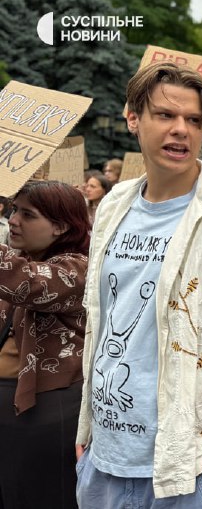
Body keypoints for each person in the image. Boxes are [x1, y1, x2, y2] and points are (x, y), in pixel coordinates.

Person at [75, 61, 202, 507]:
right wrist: (86, 434)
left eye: (194, 120)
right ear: (133, 119)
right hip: (103, 457)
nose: (181, 129)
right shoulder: (113, 206)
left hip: (187, 468)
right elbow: (101, 325)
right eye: (165, 115)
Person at [0, 180, 91, 508]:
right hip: (9, 402)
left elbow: (27, 283)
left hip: (47, 407)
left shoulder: (78, 268)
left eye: (27, 214)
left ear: (60, 226)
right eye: (13, 210)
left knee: (41, 493)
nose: (13, 220)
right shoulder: (20, 257)